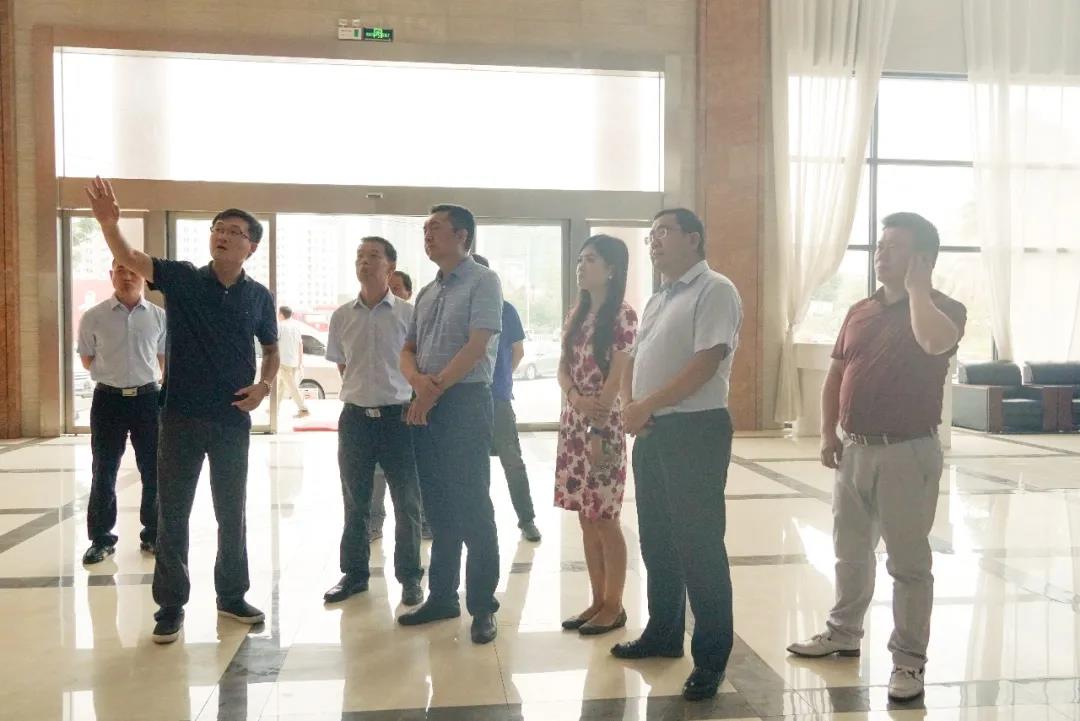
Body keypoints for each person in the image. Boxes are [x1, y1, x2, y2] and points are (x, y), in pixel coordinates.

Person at [85, 177, 279, 645]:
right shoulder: (185, 278)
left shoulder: (258, 296)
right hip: (179, 418)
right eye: (218, 229)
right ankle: (170, 606)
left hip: (232, 419)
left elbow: (272, 349)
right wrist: (110, 225)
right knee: (173, 514)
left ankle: (231, 595)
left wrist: (264, 386)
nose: (223, 235)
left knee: (232, 512)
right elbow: (132, 257)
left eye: (234, 231)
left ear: (251, 247)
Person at [787, 212, 966, 701]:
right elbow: (835, 375)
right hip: (854, 451)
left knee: (907, 564)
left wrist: (918, 290)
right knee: (849, 552)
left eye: (894, 246)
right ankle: (843, 633)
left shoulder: (945, 309)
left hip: (907, 452)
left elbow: (933, 342)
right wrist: (827, 433)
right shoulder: (859, 311)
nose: (880, 253)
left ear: (922, 258)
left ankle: (909, 662)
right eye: (880, 245)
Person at [613, 208, 742, 703]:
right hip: (653, 430)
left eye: (664, 232)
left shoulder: (715, 290)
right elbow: (634, 358)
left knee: (699, 545)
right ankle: (663, 634)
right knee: (657, 539)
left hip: (695, 430)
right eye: (651, 235)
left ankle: (710, 659)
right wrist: (632, 405)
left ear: (694, 238)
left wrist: (647, 404)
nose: (654, 242)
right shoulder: (658, 298)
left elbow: (706, 363)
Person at [397, 204, 503, 645]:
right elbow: (407, 349)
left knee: (473, 504)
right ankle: (442, 597)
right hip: (426, 400)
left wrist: (432, 389)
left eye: (436, 228)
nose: (427, 235)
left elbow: (477, 346)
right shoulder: (426, 292)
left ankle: (482, 606)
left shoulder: (484, 281)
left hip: (464, 402)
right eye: (425, 229)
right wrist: (418, 383)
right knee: (437, 506)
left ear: (462, 236)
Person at [323, 237, 425, 607]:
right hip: (355, 420)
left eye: (373, 256)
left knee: (407, 502)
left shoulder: (409, 315)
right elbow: (342, 364)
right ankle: (354, 574)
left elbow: (420, 363)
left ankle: (410, 577)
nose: (364, 262)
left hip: (400, 420)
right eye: (359, 256)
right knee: (355, 501)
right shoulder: (342, 316)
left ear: (390, 267)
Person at [554, 236, 637, 635]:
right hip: (573, 424)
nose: (581, 267)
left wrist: (596, 421)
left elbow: (616, 377)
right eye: (580, 259)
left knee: (605, 517)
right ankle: (597, 599)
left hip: (603, 427)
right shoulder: (577, 314)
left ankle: (614, 605)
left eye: (590, 260)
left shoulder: (623, 316)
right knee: (585, 518)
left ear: (611, 269)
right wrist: (575, 399)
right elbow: (562, 369)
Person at [77, 259, 167, 564]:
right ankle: (101, 539)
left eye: (133, 271)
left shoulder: (158, 317)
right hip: (108, 401)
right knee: (104, 469)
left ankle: (153, 534)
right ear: (111, 275)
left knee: (153, 469)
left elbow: (161, 359)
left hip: (147, 400)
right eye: (120, 270)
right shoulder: (94, 316)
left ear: (144, 277)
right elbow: (87, 359)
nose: (127, 276)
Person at [471, 253, 542, 543]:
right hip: (465, 399)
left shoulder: (506, 309)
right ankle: (477, 521)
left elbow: (518, 351)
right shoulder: (460, 308)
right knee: (473, 465)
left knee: (512, 462)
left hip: (498, 399)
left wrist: (502, 378)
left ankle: (527, 519)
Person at [369, 270, 432, 543]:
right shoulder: (373, 319)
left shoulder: (413, 318)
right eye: (389, 287)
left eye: (397, 289)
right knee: (377, 472)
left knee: (413, 470)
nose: (392, 293)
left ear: (408, 293)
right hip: (379, 405)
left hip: (410, 404)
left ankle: (423, 520)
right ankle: (374, 522)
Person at [276, 306, 310, 418]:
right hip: (294, 361)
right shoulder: (296, 326)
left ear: (281, 314)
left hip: (283, 361)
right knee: (282, 385)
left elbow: (275, 342)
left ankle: (303, 409)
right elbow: (300, 344)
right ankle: (275, 407)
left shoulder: (280, 326)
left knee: (291, 386)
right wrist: (300, 362)